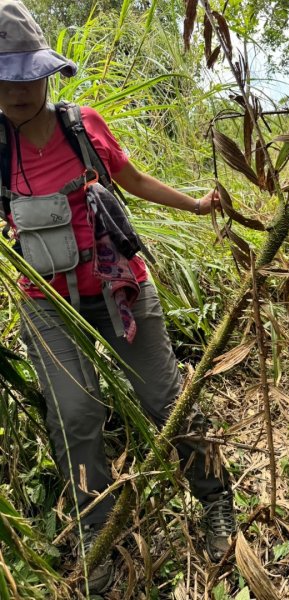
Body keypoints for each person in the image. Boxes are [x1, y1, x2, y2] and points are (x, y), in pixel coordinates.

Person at [0, 0, 235, 593]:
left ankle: (216, 501)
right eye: (4, 79)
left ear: (47, 73)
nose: (17, 91)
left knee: (163, 399)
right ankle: (97, 539)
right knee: (76, 417)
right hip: (45, 301)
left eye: (26, 75)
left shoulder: (82, 126)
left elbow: (134, 181)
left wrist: (197, 204)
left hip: (119, 286)